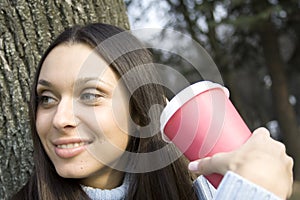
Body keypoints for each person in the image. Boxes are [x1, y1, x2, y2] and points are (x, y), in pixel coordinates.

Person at [12, 23, 293, 200]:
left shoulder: (202, 192)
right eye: (47, 98)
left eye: (90, 95)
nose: (60, 119)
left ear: (138, 113)